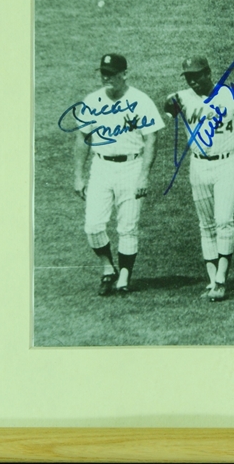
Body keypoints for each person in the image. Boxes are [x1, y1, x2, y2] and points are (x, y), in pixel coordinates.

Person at [163, 56, 234, 302]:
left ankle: (221, 279)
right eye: (189, 77)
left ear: (208, 73)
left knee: (224, 221)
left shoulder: (230, 96)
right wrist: (169, 102)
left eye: (197, 75)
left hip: (227, 162)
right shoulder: (182, 97)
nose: (193, 81)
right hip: (198, 165)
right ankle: (211, 279)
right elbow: (168, 108)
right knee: (205, 225)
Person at [71, 53, 165, 296]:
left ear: (124, 74)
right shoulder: (92, 101)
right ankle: (107, 267)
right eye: (103, 72)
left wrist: (144, 175)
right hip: (101, 167)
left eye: (112, 73)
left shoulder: (140, 100)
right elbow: (82, 138)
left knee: (127, 226)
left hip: (131, 167)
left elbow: (151, 138)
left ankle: (124, 275)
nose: (106, 77)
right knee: (93, 225)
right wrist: (78, 176)